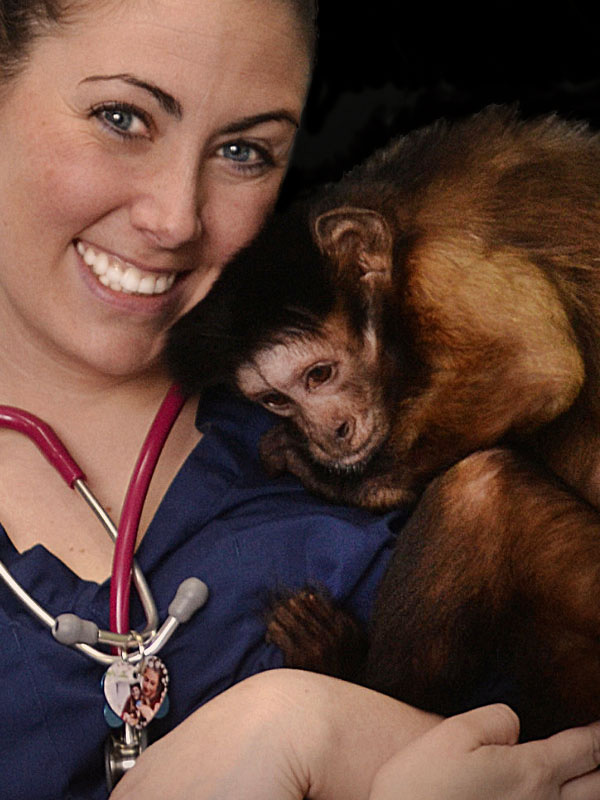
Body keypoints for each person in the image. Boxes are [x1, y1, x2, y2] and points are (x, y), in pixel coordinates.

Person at [0, 2, 599, 799]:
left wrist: (302, 724)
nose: (175, 218)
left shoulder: (398, 395)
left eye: (245, 149)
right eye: (122, 116)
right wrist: (291, 735)